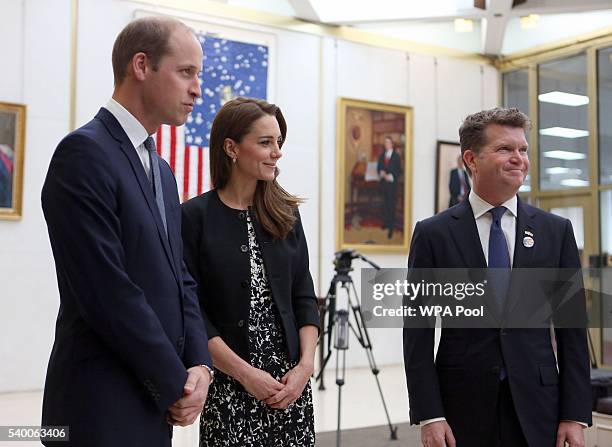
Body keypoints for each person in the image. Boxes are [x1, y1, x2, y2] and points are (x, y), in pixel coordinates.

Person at [41, 17, 212, 446]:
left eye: (199, 75)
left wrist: (200, 366)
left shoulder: (163, 171)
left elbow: (180, 279)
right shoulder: (84, 154)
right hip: (98, 406)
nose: (197, 89)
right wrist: (174, 381)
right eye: (186, 72)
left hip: (152, 405)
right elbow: (107, 290)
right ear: (141, 65)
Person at [403, 108, 591, 447]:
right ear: (471, 159)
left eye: (523, 149)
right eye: (505, 149)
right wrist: (430, 414)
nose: (518, 158)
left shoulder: (556, 232)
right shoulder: (434, 234)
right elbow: (416, 333)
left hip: (539, 406)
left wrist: (573, 414)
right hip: (461, 407)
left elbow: (572, 330)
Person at [181, 97, 319, 447]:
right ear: (231, 147)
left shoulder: (286, 214)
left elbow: (304, 295)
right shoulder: (193, 218)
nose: (277, 152)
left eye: (279, 142)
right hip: (229, 387)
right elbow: (193, 314)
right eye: (265, 142)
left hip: (290, 388)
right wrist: (245, 375)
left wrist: (305, 368)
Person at [377, 136, 402, 238]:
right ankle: (386, 223)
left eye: (388, 142)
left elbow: (399, 170)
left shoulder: (396, 156)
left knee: (391, 206)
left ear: (392, 144)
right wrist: (381, 172)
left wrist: (390, 176)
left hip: (392, 185)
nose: (386, 144)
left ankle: (391, 228)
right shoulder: (382, 155)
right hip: (383, 184)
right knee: (384, 205)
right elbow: (379, 167)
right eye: (385, 143)